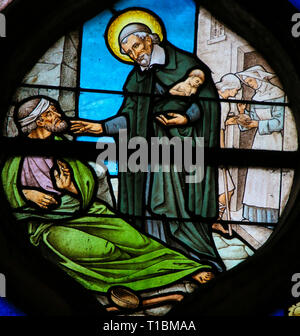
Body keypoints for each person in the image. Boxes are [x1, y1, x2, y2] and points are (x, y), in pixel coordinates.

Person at [1, 97, 216, 310]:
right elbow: (7, 192)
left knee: (136, 241)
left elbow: (85, 182)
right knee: (104, 250)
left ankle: (187, 270)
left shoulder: (62, 146)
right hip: (48, 227)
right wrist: (28, 195)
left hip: (88, 212)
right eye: (53, 112)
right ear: (40, 120)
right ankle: (139, 283)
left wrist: (70, 188)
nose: (59, 115)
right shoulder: (14, 158)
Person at [71, 20, 222, 269]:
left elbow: (205, 102)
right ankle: (161, 259)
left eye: (136, 46)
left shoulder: (183, 63)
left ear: (150, 39)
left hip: (181, 152)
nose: (134, 54)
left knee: (176, 208)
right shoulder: (136, 79)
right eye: (128, 52)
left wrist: (186, 117)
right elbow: (130, 117)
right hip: (147, 155)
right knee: (149, 207)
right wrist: (100, 127)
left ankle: (199, 259)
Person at [234, 65, 285, 223]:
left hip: (274, 141)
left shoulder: (279, 95)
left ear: (259, 78)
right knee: (256, 178)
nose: (250, 84)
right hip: (259, 141)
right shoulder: (256, 97)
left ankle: (271, 220)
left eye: (250, 80)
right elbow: (249, 121)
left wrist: (257, 125)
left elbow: (280, 122)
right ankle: (252, 216)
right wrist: (242, 114)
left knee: (270, 179)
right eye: (247, 82)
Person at [213, 74, 243, 234]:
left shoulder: (219, 100)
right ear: (229, 88)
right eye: (236, 90)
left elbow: (219, 122)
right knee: (228, 189)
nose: (237, 93)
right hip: (213, 150)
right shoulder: (222, 103)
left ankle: (214, 220)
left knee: (222, 189)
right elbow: (219, 130)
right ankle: (215, 221)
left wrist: (233, 120)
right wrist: (222, 153)